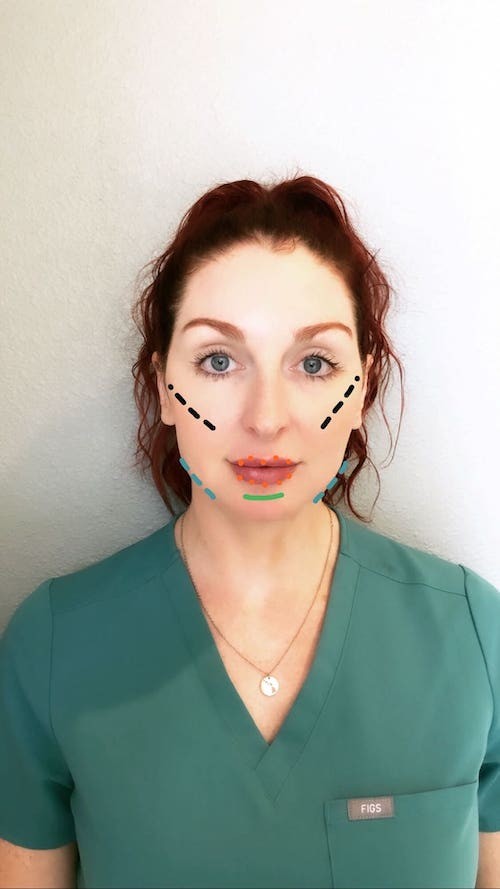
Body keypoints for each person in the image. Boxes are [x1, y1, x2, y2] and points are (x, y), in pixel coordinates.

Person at [1, 175, 499, 889]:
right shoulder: (52, 647)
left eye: (315, 363)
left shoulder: (474, 635)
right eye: (218, 360)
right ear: (164, 387)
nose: (266, 418)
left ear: (362, 388)